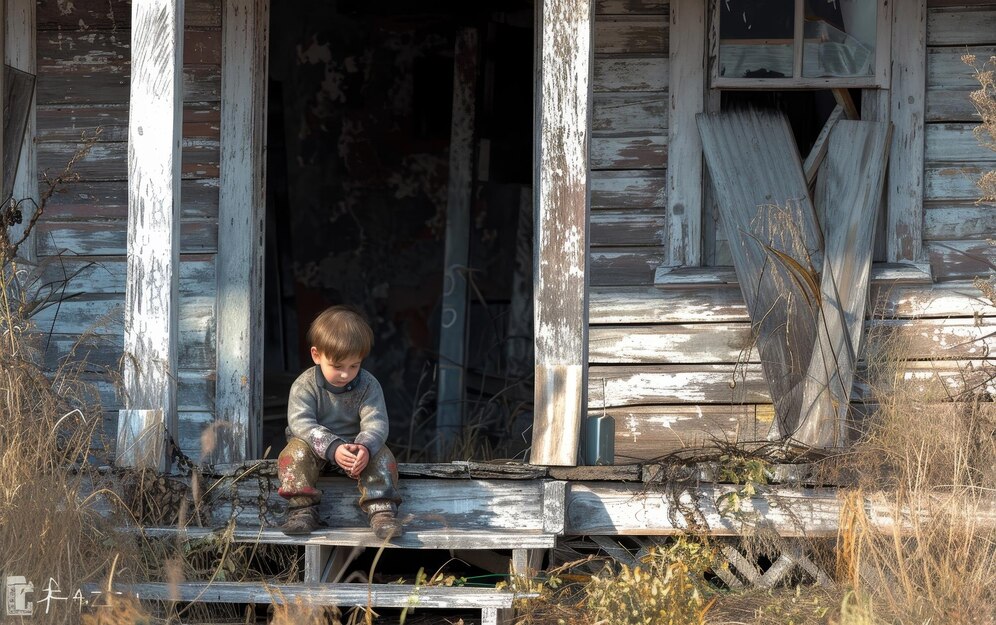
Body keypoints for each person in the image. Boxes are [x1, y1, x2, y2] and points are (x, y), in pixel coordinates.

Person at [277, 305, 403, 538]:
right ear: (316, 355)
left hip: (355, 449)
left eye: (354, 365)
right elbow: (301, 423)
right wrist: (333, 447)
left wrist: (364, 447)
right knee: (292, 455)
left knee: (383, 455)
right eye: (337, 366)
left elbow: (376, 422)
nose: (346, 374)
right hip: (313, 446)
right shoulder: (304, 385)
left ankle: (382, 510)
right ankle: (302, 509)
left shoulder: (369, 386)